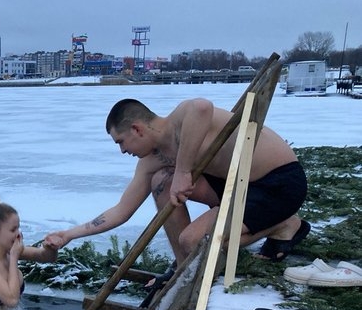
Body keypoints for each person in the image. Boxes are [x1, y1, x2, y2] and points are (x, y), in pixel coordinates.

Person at [44, 98, 310, 264]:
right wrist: (69, 234)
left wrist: (183, 171)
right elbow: (121, 211)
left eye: (121, 142)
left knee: (193, 240)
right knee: (161, 180)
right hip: (236, 187)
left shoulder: (181, 119)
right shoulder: (151, 160)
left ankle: (285, 224)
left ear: (137, 128)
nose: (122, 151)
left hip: (278, 183)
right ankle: (185, 265)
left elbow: (202, 107)